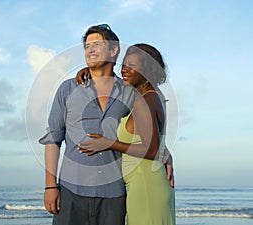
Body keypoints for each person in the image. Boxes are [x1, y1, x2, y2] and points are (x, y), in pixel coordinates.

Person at [39, 24, 140, 225]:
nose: (90, 50)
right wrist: (50, 186)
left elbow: (146, 132)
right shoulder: (67, 88)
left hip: (113, 194)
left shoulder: (131, 94)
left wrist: (165, 154)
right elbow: (53, 139)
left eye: (97, 44)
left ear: (113, 50)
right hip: (70, 191)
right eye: (86, 46)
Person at [77, 43, 176, 225]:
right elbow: (155, 139)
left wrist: (108, 143)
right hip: (149, 184)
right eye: (124, 65)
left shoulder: (144, 100)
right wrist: (90, 71)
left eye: (132, 66)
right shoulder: (152, 94)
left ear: (147, 69)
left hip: (146, 186)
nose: (125, 70)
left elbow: (152, 150)